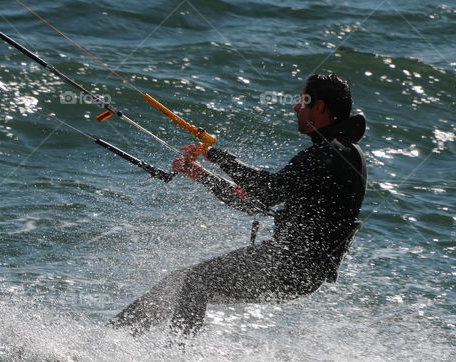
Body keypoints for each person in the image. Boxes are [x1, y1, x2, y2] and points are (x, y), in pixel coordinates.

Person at [112, 73, 367, 337]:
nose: (295, 107)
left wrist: (216, 155)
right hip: (295, 268)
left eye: (303, 101)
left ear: (320, 107)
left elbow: (266, 191)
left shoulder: (331, 154)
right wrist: (201, 174)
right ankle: (114, 339)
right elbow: (255, 203)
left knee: (193, 282)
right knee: (177, 283)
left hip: (290, 266)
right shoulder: (339, 152)